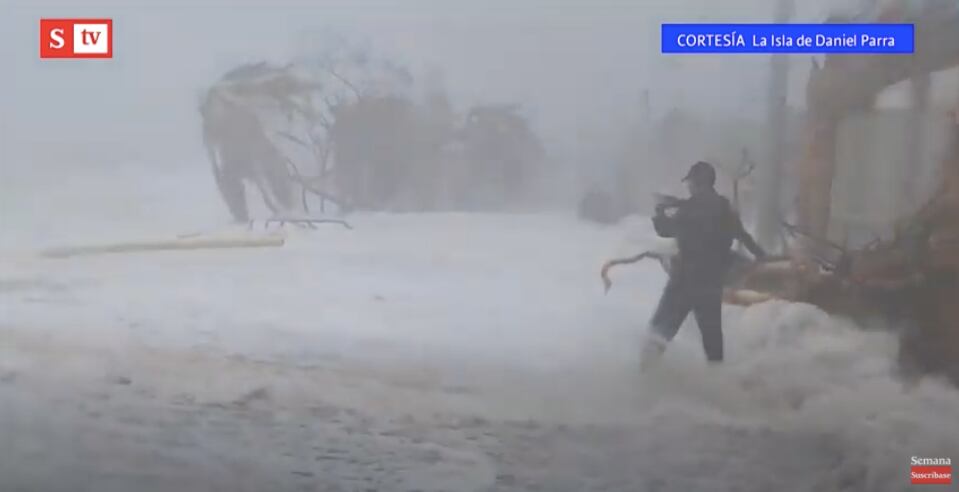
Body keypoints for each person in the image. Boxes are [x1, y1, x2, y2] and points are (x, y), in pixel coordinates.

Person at [640, 161, 766, 370]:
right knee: (713, 340)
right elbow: (744, 236)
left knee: (659, 333)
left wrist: (660, 211)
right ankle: (718, 383)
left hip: (683, 282)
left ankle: (645, 375)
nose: (689, 187)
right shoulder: (724, 208)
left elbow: (665, 230)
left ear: (698, 183)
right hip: (710, 283)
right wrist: (763, 257)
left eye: (690, 183)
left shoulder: (689, 209)